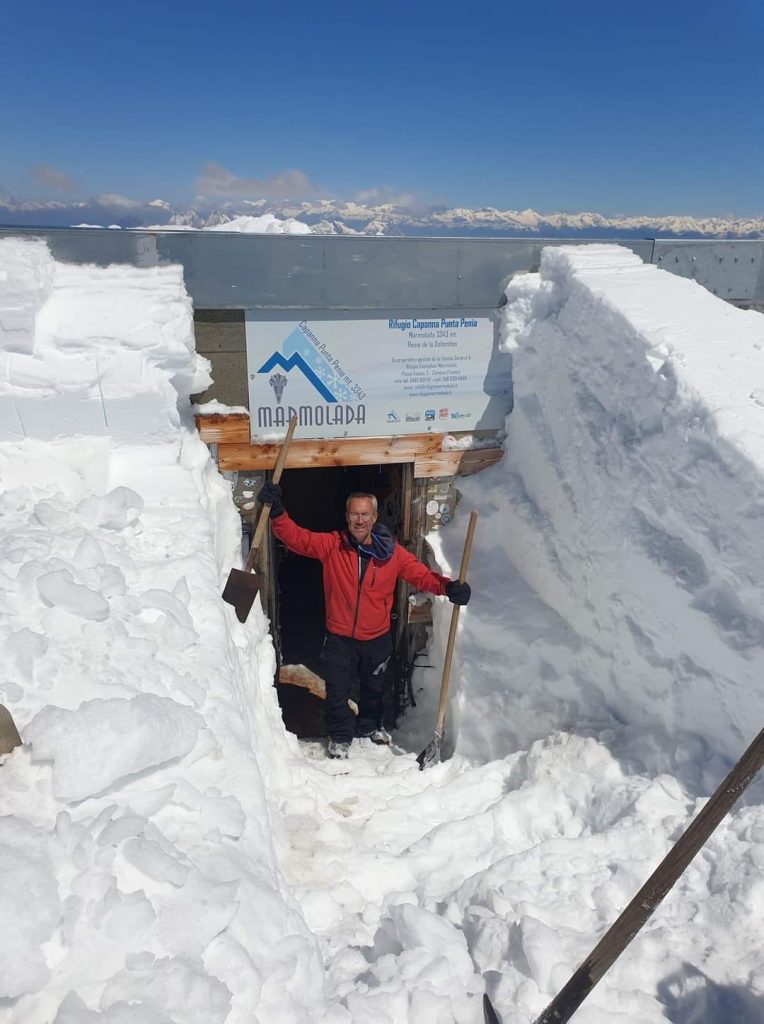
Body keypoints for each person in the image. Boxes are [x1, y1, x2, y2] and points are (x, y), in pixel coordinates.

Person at [257, 482, 471, 759]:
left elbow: (419, 574)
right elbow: (297, 538)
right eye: (354, 515)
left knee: (373, 689)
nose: (359, 520)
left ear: (374, 517)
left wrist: (448, 587)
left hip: (377, 637)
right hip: (339, 637)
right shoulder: (332, 546)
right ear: (346, 517)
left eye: (364, 514)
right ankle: (340, 737)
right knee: (336, 691)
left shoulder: (391, 553)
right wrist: (277, 512)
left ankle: (370, 726)